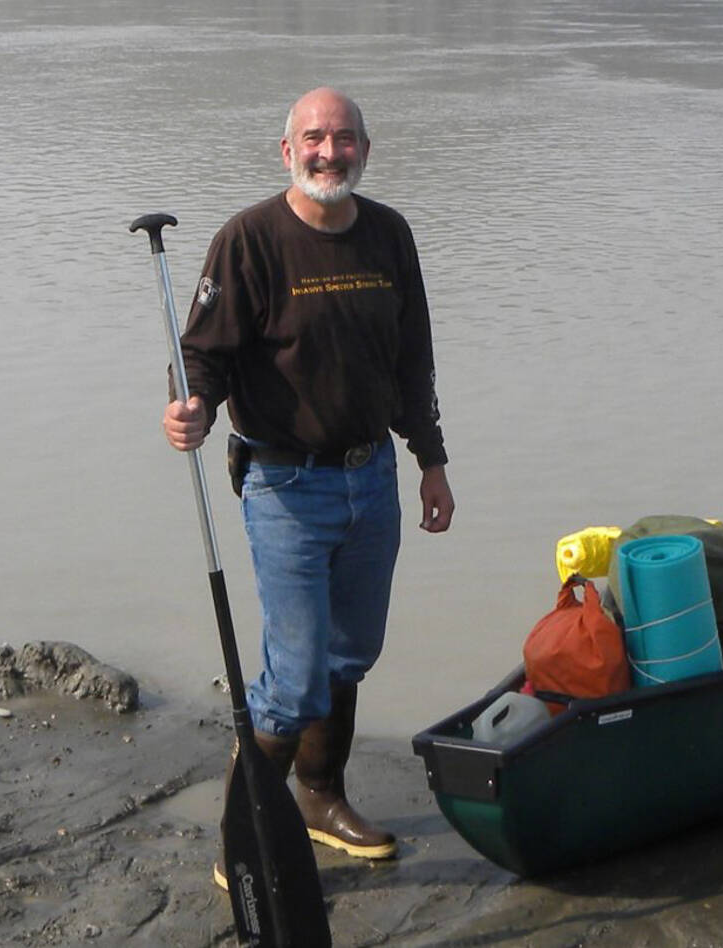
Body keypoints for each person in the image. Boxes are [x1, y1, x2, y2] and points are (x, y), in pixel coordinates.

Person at [161, 87, 454, 881]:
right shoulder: (249, 240)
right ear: (287, 151)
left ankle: (320, 798)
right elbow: (201, 356)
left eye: (345, 138)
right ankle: (246, 838)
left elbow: (414, 358)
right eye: (315, 139)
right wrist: (192, 408)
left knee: (350, 654)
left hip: (373, 478)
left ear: (366, 149)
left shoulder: (389, 234)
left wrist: (431, 460)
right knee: (292, 681)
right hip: (284, 485)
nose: (331, 153)